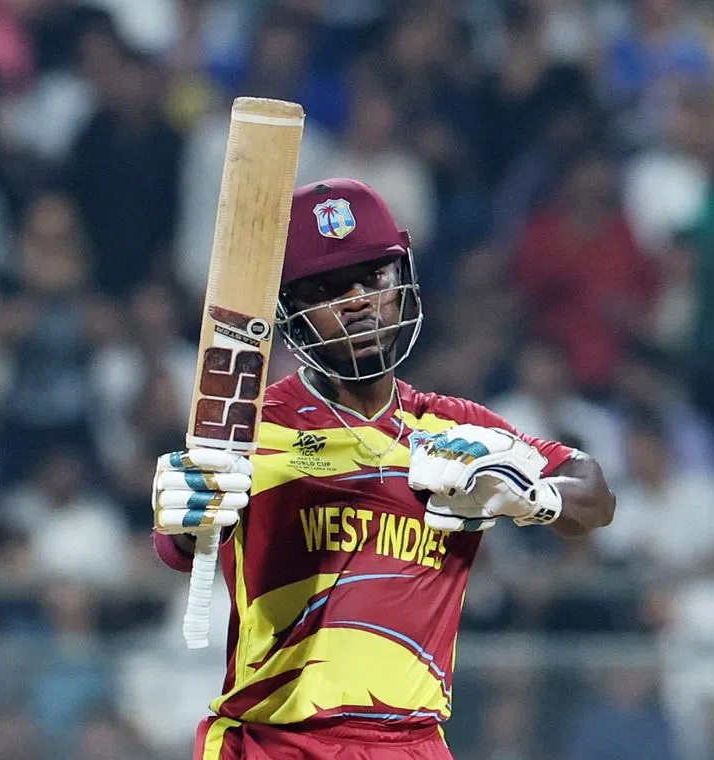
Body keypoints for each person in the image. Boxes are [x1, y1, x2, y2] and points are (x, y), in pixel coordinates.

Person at [151, 178, 616, 760]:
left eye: (373, 278)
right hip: (277, 745)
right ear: (291, 310)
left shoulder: (453, 430)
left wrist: (533, 497)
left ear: (402, 281)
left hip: (412, 745)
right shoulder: (253, 430)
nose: (357, 301)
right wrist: (185, 518)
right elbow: (183, 540)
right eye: (327, 288)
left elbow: (595, 493)